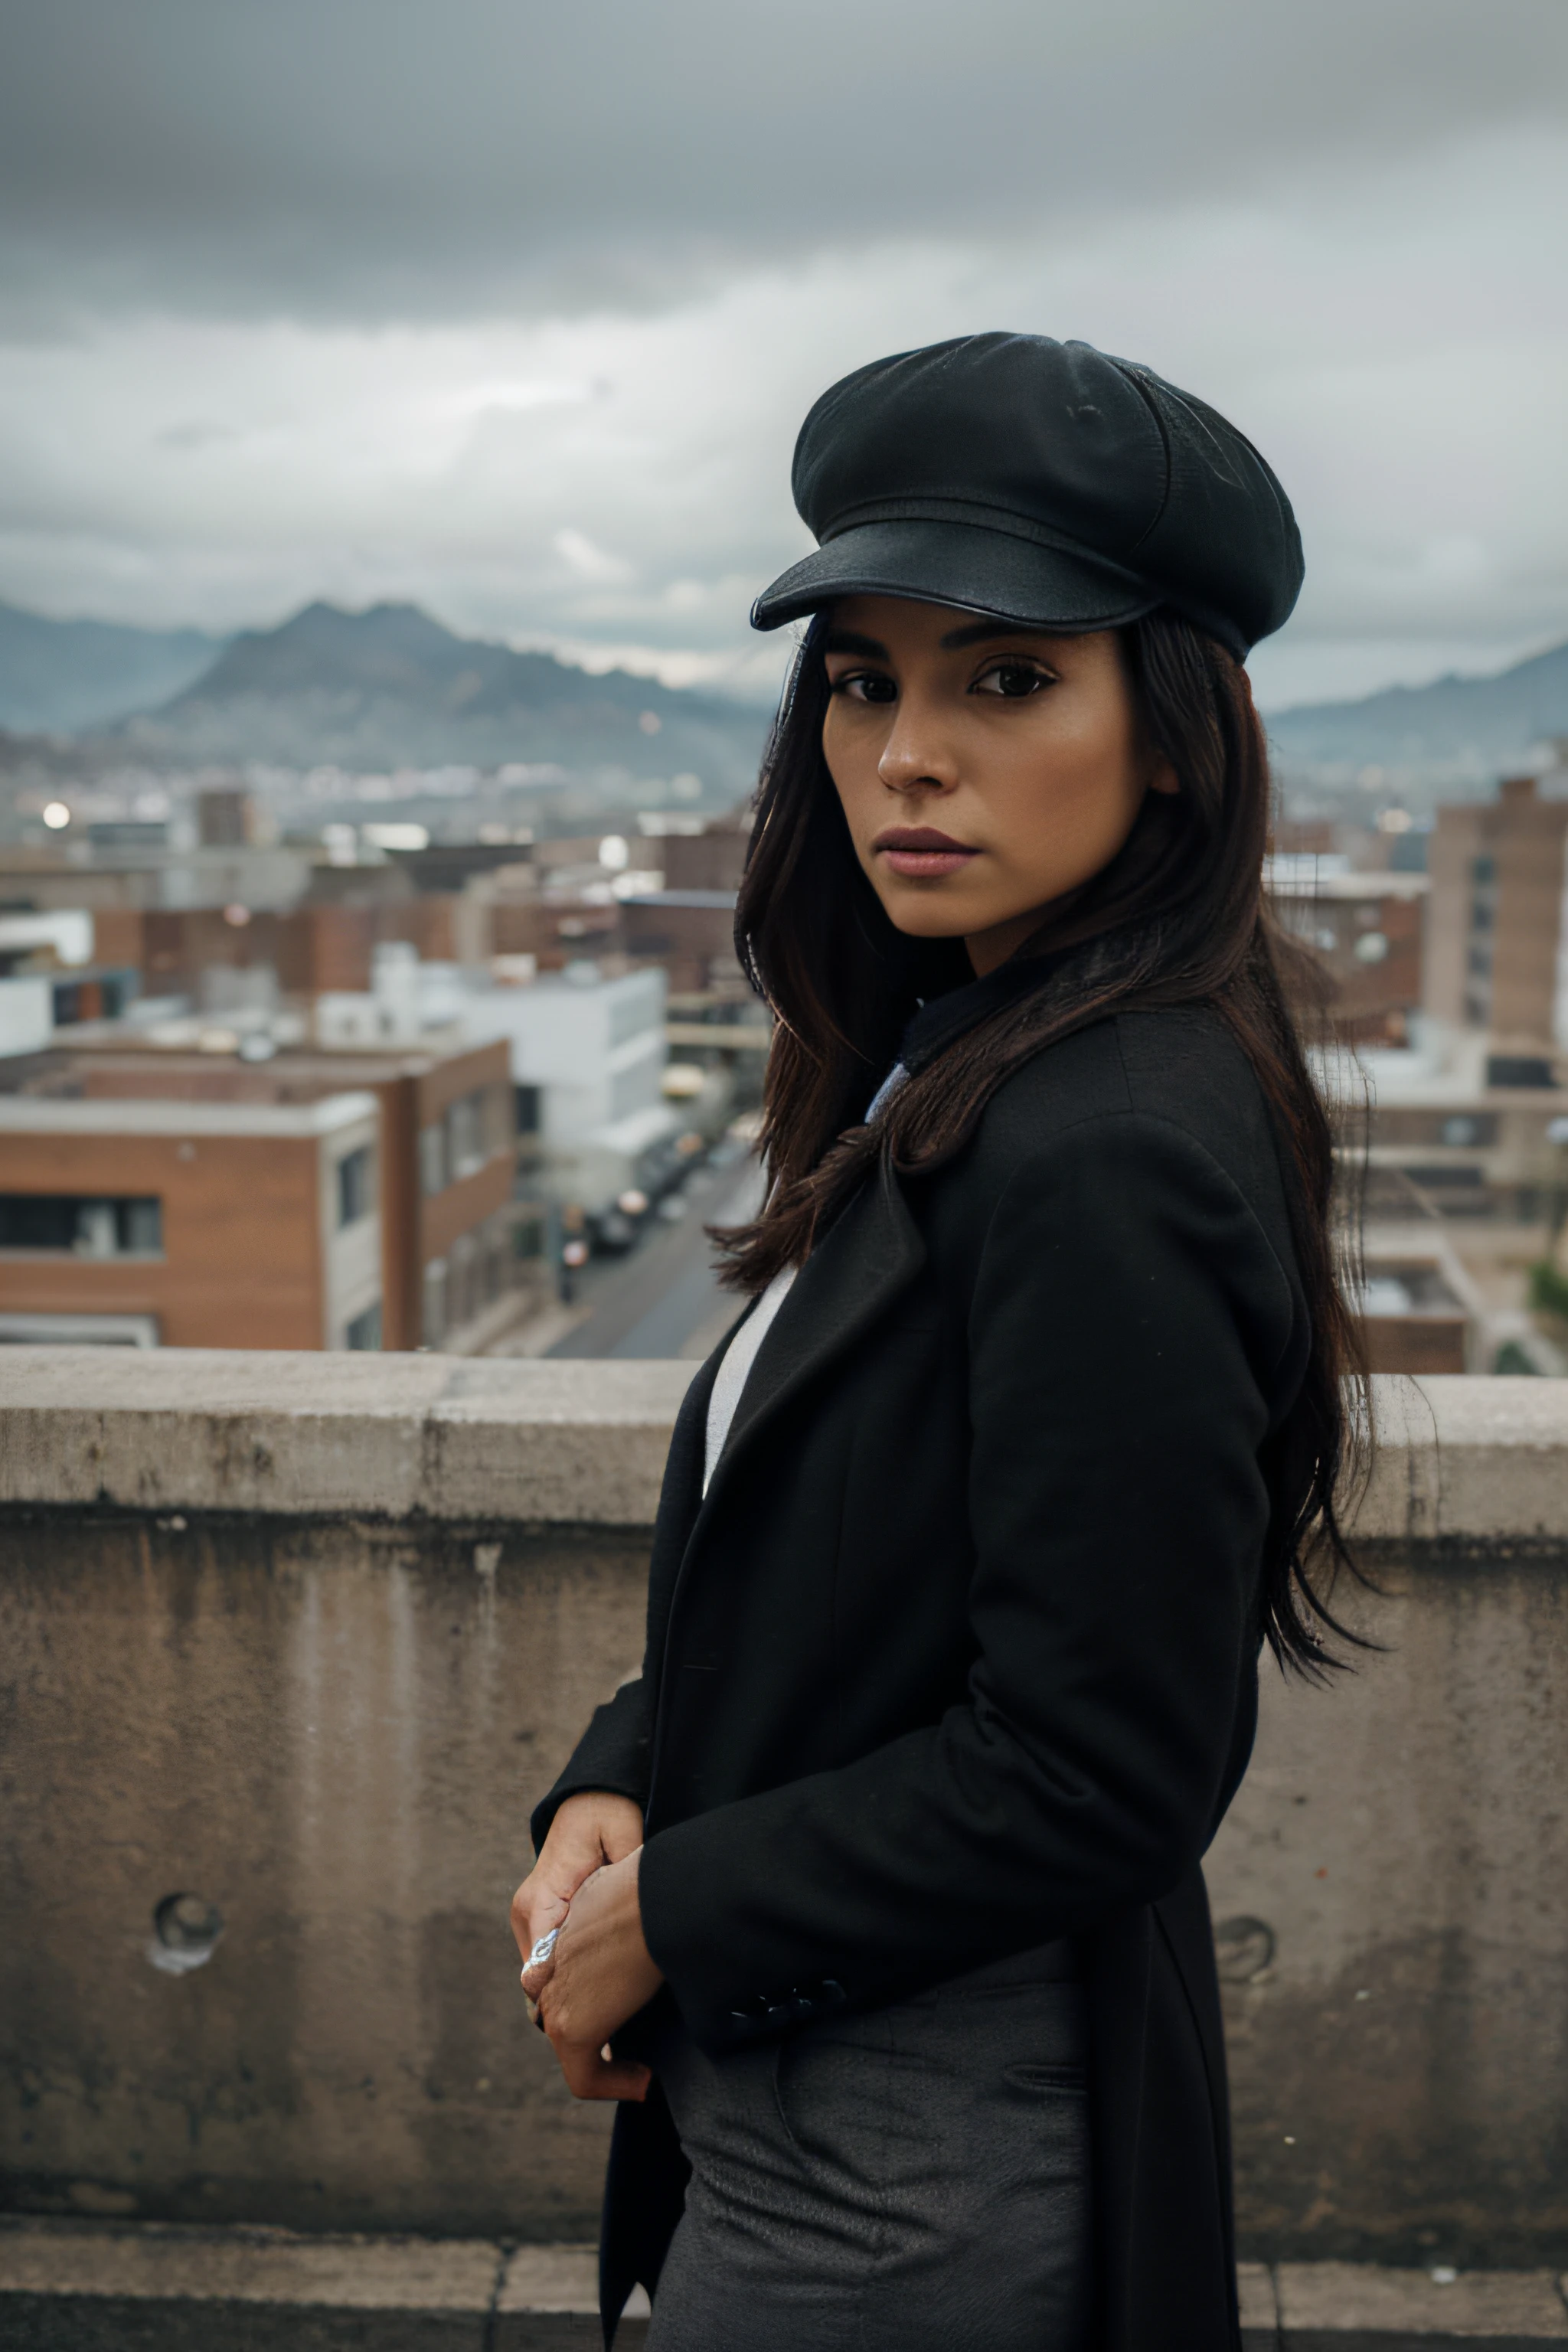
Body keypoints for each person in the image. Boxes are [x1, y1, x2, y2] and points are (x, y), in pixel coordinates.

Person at [510, 332, 1362, 2352]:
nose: (906, 750)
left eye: (1004, 677)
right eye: (860, 679)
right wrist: (626, 1774)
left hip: (915, 2166)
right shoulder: (956, 1059)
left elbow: (1099, 1763)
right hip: (827, 2104)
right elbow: (862, 1573)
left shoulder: (1110, 1139)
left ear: (1176, 726)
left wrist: (676, 1917)